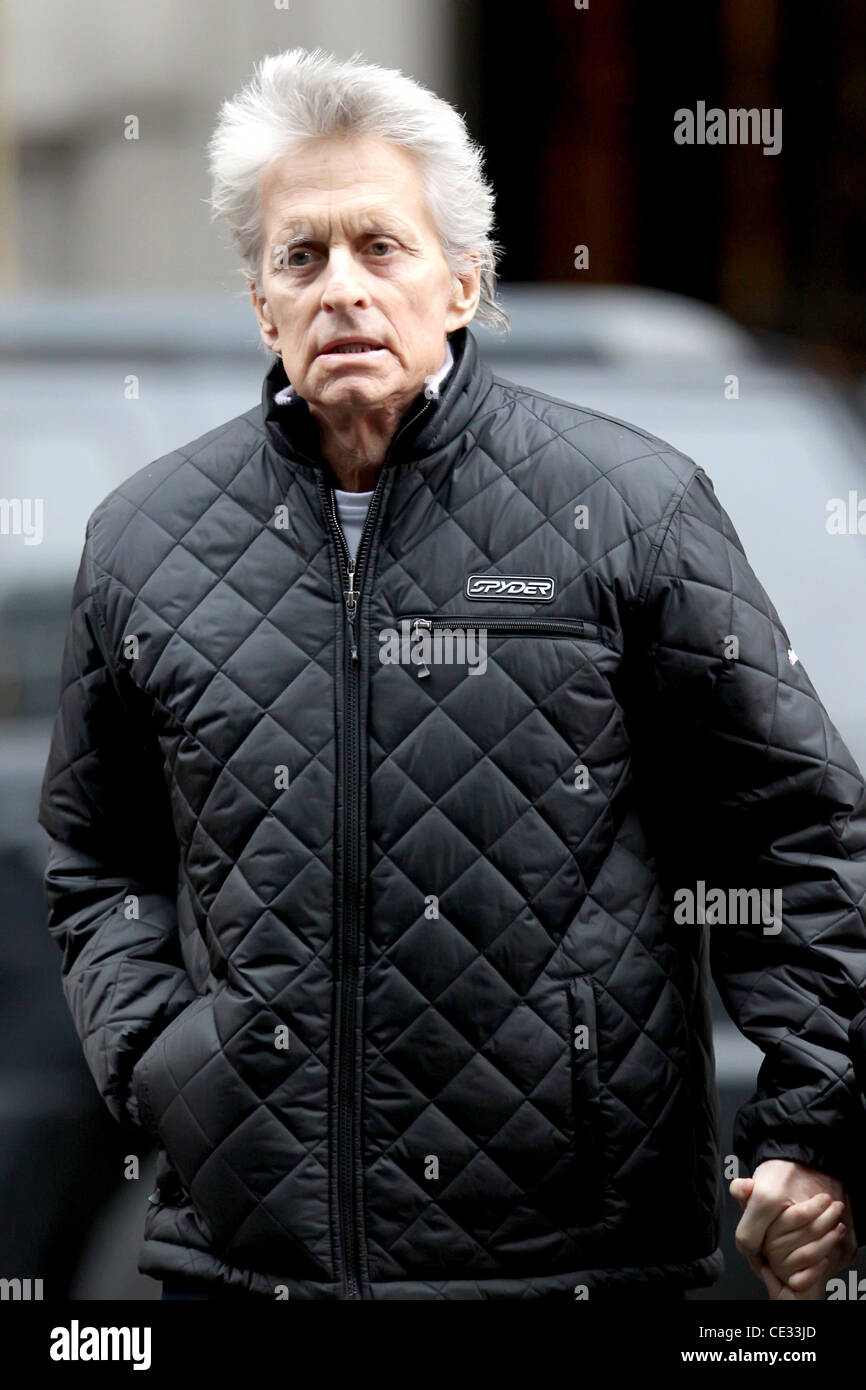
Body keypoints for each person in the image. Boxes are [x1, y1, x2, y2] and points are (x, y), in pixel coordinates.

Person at [38, 46, 866, 1302]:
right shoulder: (143, 539)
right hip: (246, 1262)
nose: (342, 290)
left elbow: (791, 829)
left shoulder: (627, 508)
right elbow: (99, 858)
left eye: (382, 247)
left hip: (573, 1259)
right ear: (261, 304)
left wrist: (814, 1130)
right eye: (300, 257)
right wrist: (166, 1064)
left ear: (464, 283)